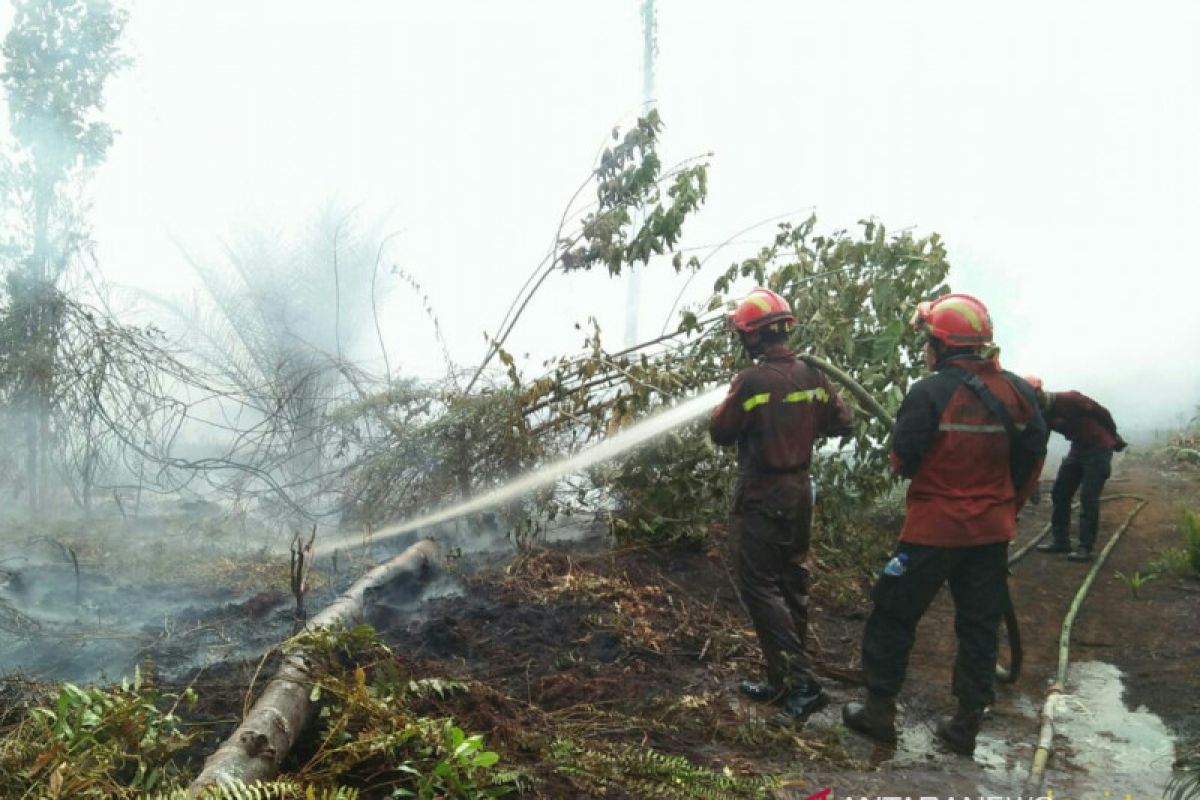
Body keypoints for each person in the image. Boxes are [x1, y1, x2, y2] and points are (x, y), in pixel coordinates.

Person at [841, 293, 1047, 755]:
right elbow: (1033, 456)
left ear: (942, 345)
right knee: (979, 625)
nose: (924, 349)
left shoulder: (928, 392)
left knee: (893, 612)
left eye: (928, 340)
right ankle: (965, 728)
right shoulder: (1017, 391)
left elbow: (901, 460)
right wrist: (1004, 504)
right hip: (991, 532)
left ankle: (878, 713)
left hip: (932, 531)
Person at [709, 287, 854, 724]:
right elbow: (843, 420)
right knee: (791, 582)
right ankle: (781, 681)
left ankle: (801, 685)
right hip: (800, 492)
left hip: (762, 495)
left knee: (760, 587)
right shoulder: (812, 373)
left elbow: (721, 432)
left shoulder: (751, 381)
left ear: (752, 336)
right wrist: (799, 428)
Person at [1027, 377, 1127, 562]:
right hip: (1078, 448)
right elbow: (1041, 444)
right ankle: (1061, 541)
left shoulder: (1070, 399)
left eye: (1033, 396)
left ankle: (1085, 548)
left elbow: (1102, 413)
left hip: (1099, 447)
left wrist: (1113, 437)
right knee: (1060, 493)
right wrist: (1033, 478)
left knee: (1089, 498)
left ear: (1040, 392)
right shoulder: (1041, 414)